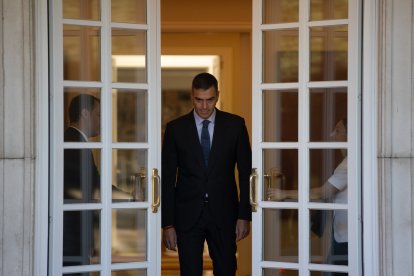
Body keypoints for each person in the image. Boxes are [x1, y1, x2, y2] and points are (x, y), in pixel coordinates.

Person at [161, 73, 252, 275]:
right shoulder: (175, 129)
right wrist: (168, 224)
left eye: (209, 100)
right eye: (199, 100)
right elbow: (167, 179)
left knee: (227, 270)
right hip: (187, 215)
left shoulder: (235, 125)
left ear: (217, 95)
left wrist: (244, 215)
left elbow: (246, 172)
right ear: (192, 96)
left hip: (225, 213)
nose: (204, 106)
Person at [267, 118, 348, 272]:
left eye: (337, 130)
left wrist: (283, 194)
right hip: (342, 234)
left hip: (347, 236)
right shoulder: (348, 162)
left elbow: (323, 192)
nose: (332, 135)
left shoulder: (349, 163)